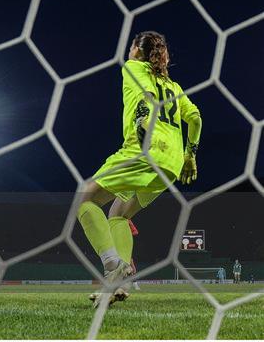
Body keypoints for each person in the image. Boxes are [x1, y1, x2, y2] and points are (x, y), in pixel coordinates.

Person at [77, 31, 202, 308]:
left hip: (144, 150)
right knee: (118, 214)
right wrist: (190, 155)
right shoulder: (173, 86)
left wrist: (144, 119)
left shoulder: (132, 67)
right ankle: (119, 284)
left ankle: (111, 265)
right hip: (171, 164)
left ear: (136, 49)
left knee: (84, 198)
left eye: (132, 46)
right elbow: (195, 118)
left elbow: (144, 94)